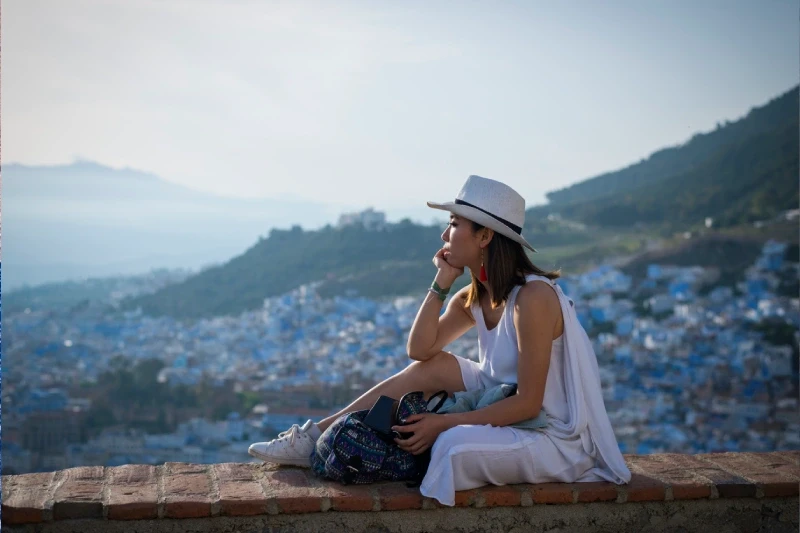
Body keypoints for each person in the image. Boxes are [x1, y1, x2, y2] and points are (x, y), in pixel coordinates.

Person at [249, 175, 631, 506]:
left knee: (453, 448)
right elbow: (419, 351)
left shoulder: (533, 299)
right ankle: (314, 436)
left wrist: (443, 425)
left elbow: (530, 402)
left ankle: (393, 452)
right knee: (430, 368)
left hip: (549, 431)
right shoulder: (479, 296)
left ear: (485, 236)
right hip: (498, 396)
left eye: (454, 224)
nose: (444, 235)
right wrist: (442, 283)